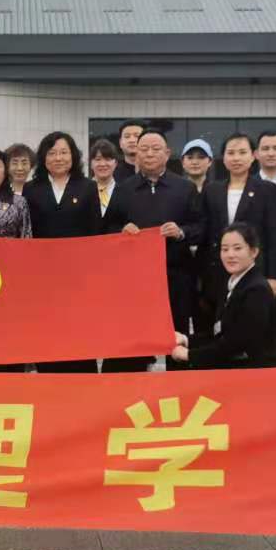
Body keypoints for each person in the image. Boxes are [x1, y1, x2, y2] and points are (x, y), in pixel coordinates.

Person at [103, 128, 203, 372]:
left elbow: (201, 226)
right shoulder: (124, 189)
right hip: (136, 279)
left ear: (167, 153)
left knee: (176, 335)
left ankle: (179, 386)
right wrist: (122, 230)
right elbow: (107, 226)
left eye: (156, 149)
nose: (149, 154)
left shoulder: (184, 188)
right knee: (136, 336)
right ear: (135, 154)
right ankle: (135, 386)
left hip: (175, 275)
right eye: (144, 149)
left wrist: (181, 231)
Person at [25, 131, 100, 373]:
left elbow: (95, 232)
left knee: (78, 332)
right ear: (43, 158)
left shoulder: (88, 187)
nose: (58, 158)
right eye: (52, 153)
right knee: (47, 331)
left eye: (64, 152)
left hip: (78, 277)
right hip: (42, 277)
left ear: (74, 156)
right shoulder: (31, 189)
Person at [172, 222, 276, 369]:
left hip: (257, 371)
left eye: (237, 248)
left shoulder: (257, 290)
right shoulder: (232, 283)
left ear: (254, 252)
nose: (230, 255)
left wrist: (189, 355)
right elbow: (220, 333)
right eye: (225, 249)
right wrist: (186, 339)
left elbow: (237, 343)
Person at [203, 133, 276, 293]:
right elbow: (206, 232)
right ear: (224, 158)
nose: (236, 158)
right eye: (231, 153)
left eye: (242, 152)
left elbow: (274, 235)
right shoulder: (212, 190)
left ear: (253, 156)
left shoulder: (267, 190)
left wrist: (274, 275)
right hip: (218, 270)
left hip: (255, 269)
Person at [89, 138, 122, 224]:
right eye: (98, 159)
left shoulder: (124, 191)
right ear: (91, 164)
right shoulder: (82, 191)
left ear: (115, 163)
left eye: (107, 159)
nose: (103, 164)